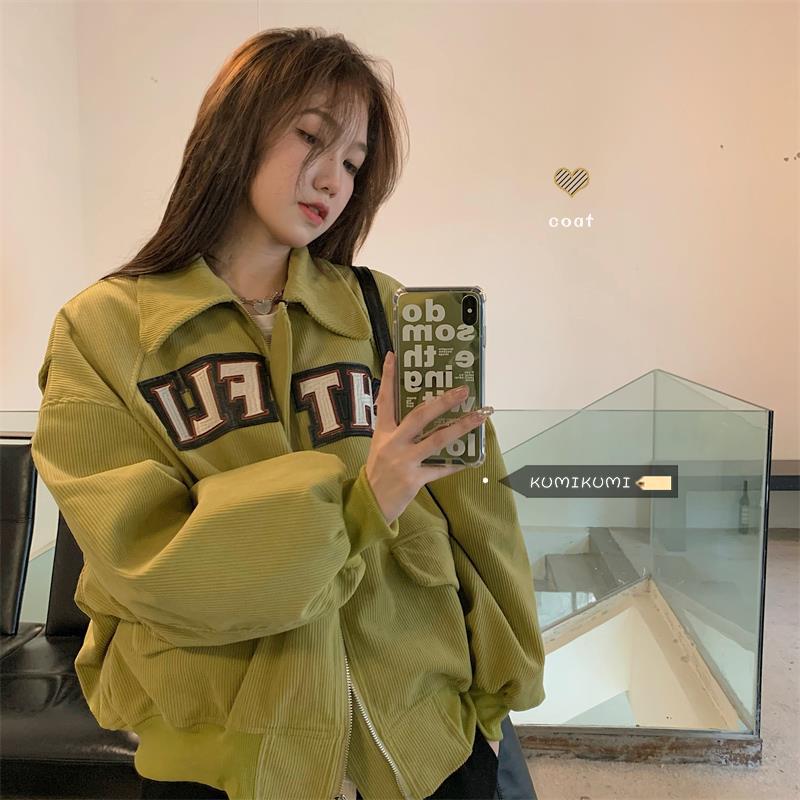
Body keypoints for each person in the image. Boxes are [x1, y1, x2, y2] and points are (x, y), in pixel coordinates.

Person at [31, 27, 545, 800]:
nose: (333, 179)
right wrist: (364, 503)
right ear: (236, 127)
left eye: (354, 162)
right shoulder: (103, 331)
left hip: (424, 736)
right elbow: (152, 565)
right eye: (311, 136)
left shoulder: (386, 310)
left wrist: (495, 701)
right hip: (225, 758)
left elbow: (481, 522)